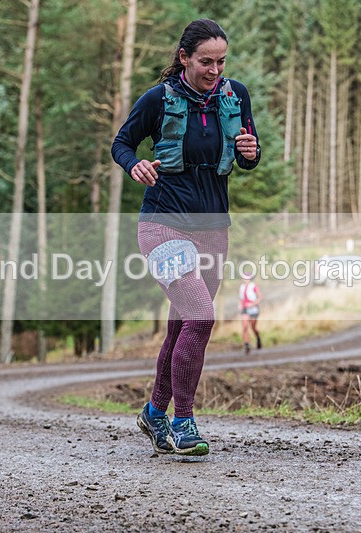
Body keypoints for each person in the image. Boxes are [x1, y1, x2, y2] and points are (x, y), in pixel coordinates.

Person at [112, 19, 260, 456]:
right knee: (201, 317)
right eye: (205, 61)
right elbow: (122, 143)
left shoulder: (236, 96)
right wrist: (134, 164)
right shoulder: (158, 99)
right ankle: (183, 422)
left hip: (214, 228)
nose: (215, 70)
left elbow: (249, 154)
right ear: (184, 58)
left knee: (182, 325)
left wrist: (251, 154)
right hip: (163, 225)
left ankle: (155, 413)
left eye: (221, 61)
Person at [238, 272, 262, 355]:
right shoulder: (242, 287)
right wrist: (240, 305)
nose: (245, 280)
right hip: (245, 308)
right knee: (245, 327)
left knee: (253, 327)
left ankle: (258, 337)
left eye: (246, 278)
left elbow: (260, 297)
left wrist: (253, 304)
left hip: (253, 309)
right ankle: (247, 345)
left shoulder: (254, 286)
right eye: (244, 278)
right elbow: (241, 298)